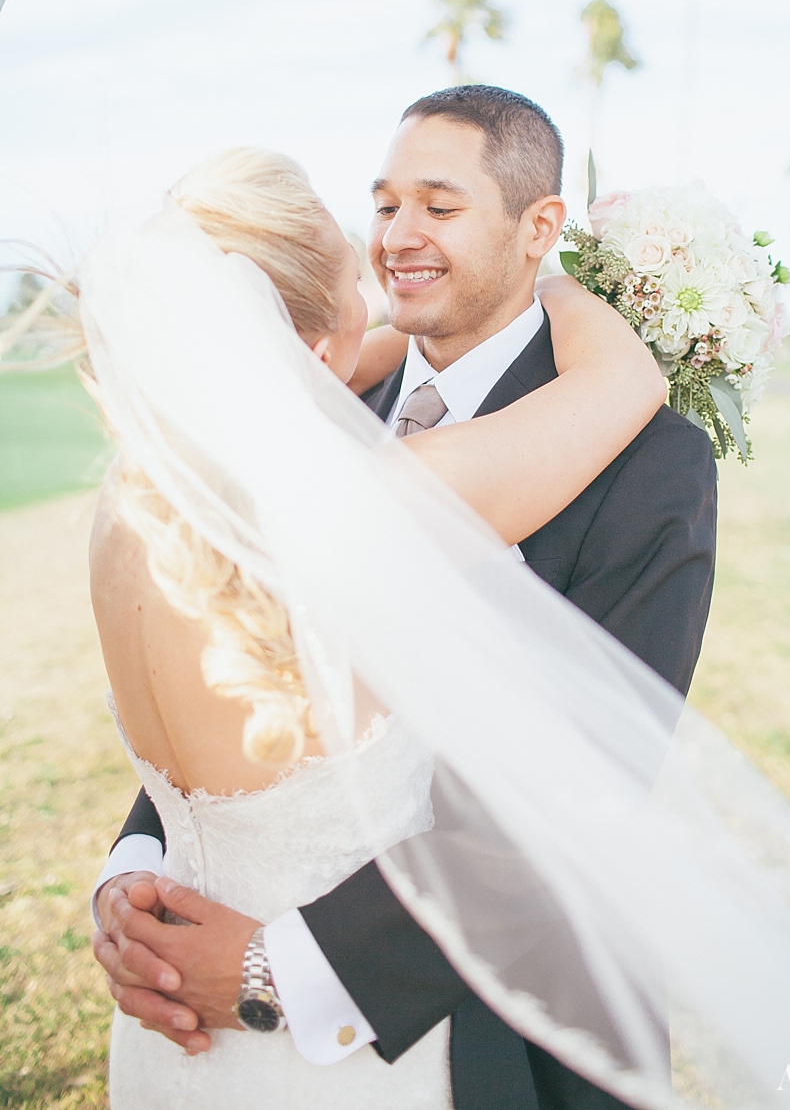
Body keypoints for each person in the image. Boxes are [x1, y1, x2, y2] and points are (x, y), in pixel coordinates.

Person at [89, 87, 718, 1110]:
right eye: (381, 207)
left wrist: (282, 964)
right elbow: (234, 694)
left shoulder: (651, 466)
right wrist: (141, 858)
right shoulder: (332, 418)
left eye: (438, 204)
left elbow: (587, 791)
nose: (394, 238)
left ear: (538, 228)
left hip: (504, 1036)